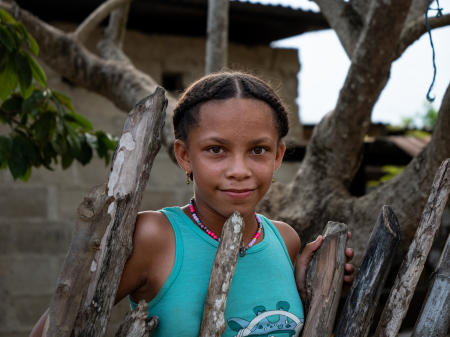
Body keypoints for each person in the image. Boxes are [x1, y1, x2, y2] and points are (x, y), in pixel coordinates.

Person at [30, 71, 354, 337]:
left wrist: (307, 288)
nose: (239, 171)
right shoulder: (155, 238)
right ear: (185, 156)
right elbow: (57, 326)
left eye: (258, 150)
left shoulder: (284, 241)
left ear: (278, 156)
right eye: (216, 149)